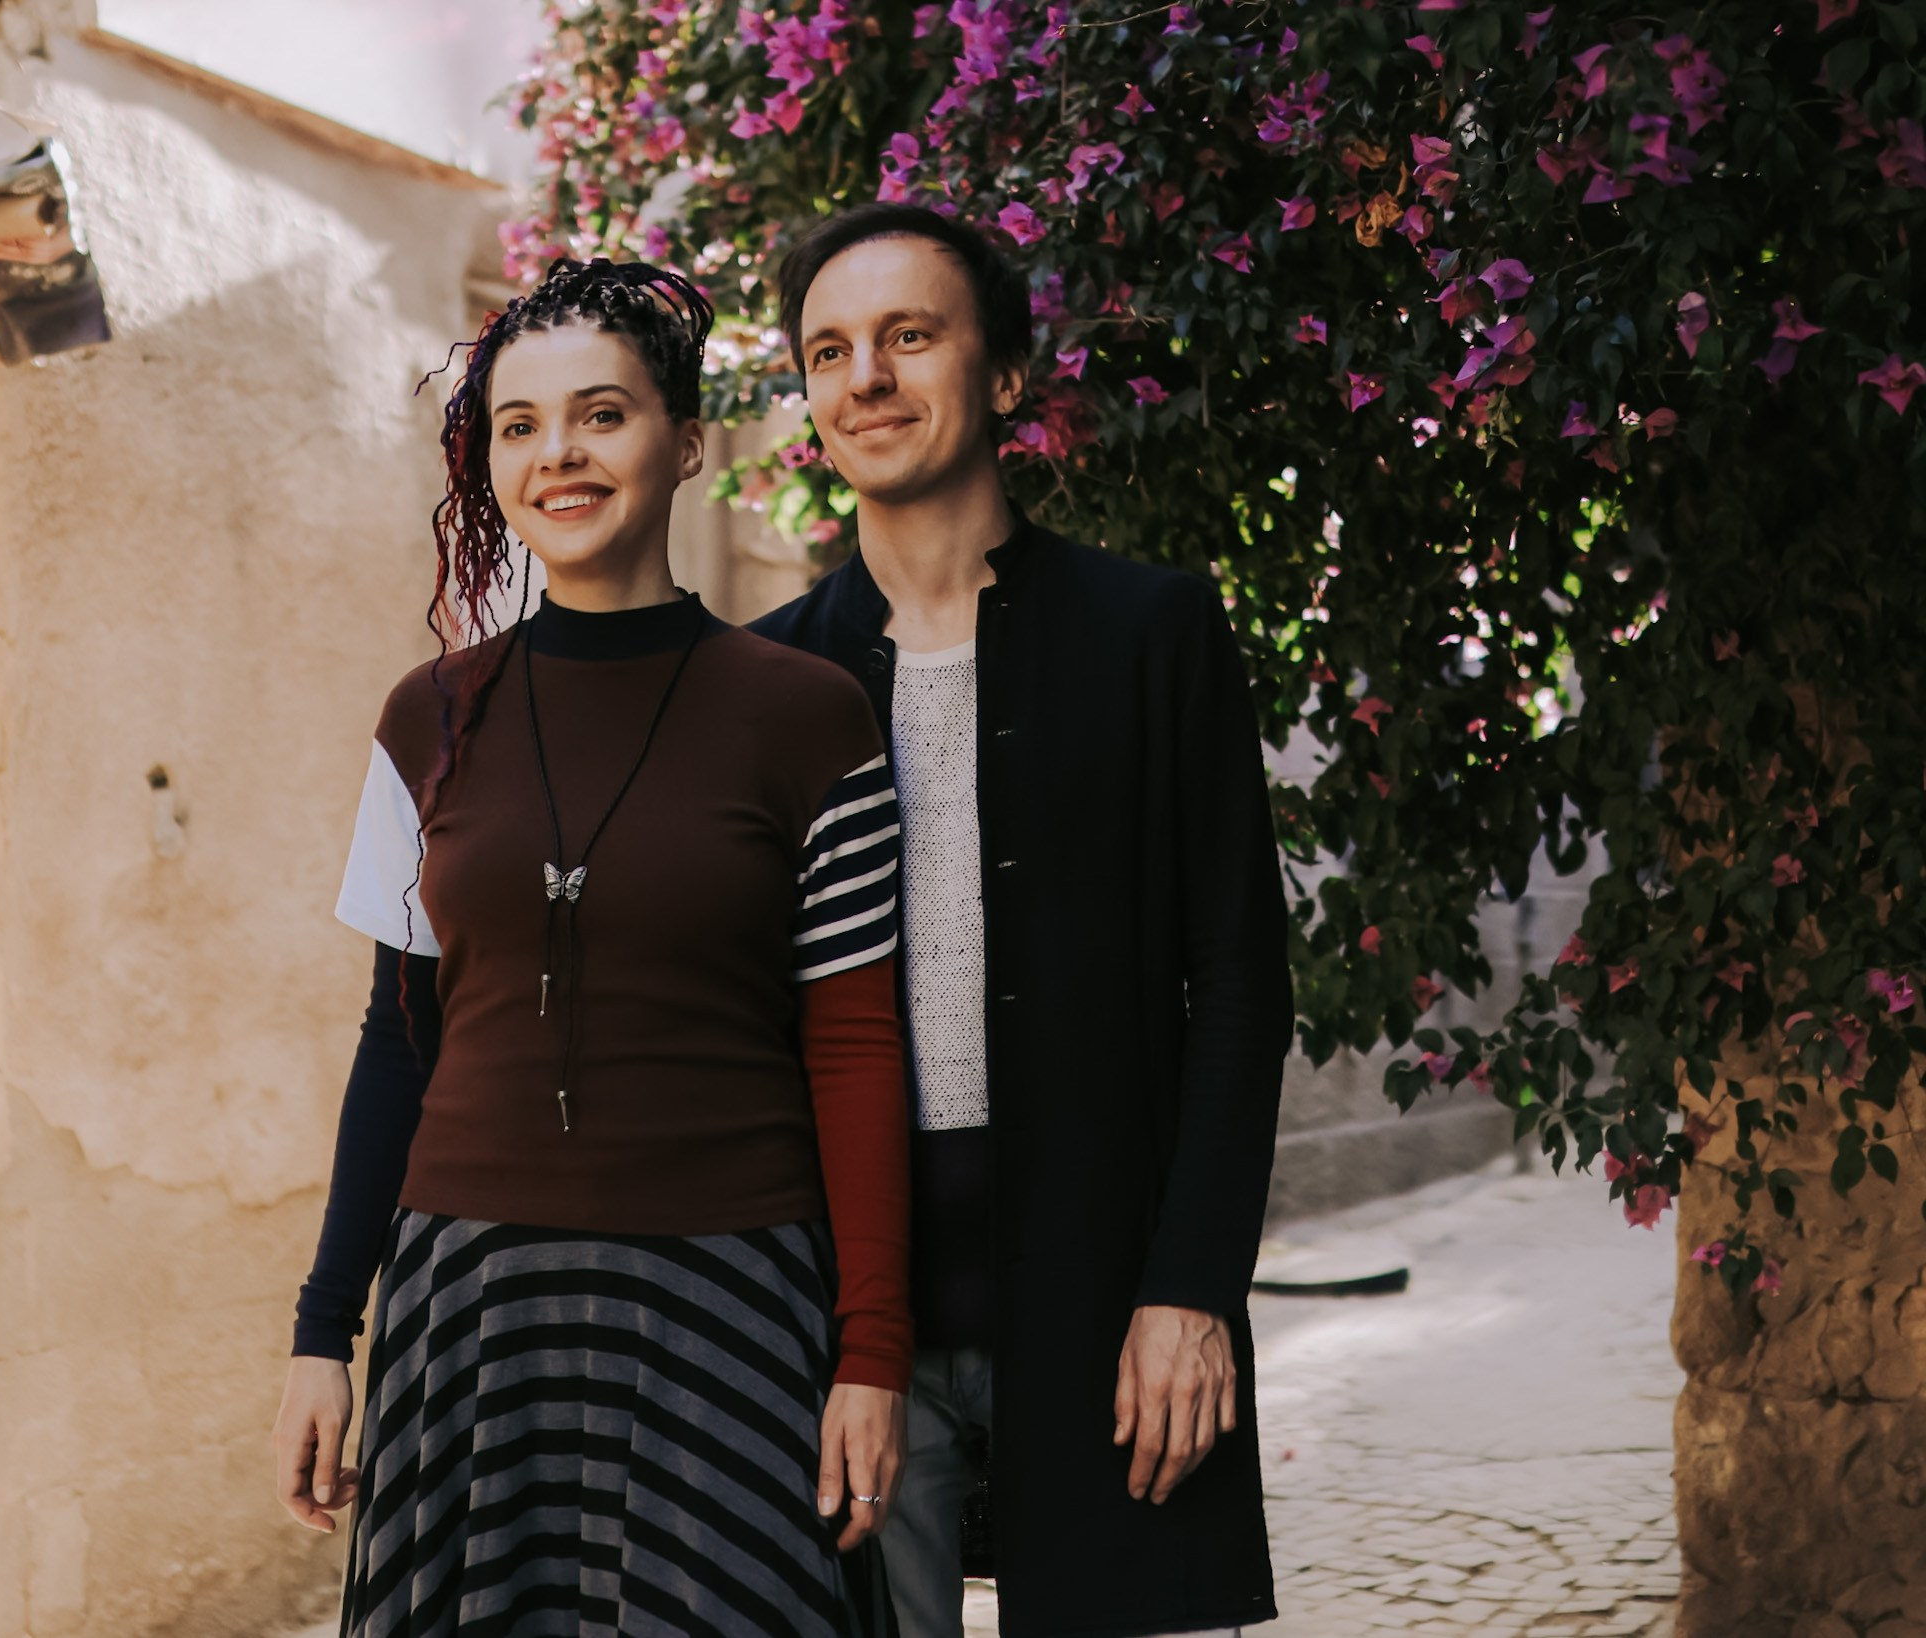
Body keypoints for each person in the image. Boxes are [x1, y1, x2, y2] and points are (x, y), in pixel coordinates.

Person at [271, 255, 913, 1638]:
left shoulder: (809, 717)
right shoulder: (425, 717)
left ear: (686, 444)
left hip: (730, 1302)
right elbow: (399, 1038)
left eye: (601, 415)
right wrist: (326, 1330)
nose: (557, 453)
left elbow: (857, 1048)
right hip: (473, 1309)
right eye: (519, 424)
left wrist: (872, 1350)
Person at [751, 204, 1295, 1638]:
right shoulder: (764, 685)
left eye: (908, 335)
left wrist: (1193, 1287)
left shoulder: (1152, 633)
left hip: (1110, 1287)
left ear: (1001, 376)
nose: (864, 374)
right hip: (852, 1319)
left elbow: (1239, 983)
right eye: (829, 350)